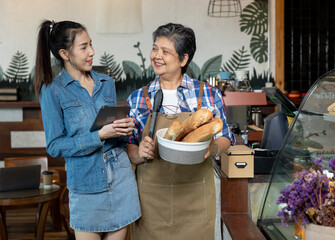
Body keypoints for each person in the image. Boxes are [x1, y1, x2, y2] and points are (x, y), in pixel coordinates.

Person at [126, 23, 235, 240]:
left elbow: (226, 138)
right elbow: (129, 144)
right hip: (152, 199)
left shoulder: (208, 94)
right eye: (155, 48)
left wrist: (213, 147)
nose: (157, 56)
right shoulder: (139, 97)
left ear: (183, 59)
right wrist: (139, 153)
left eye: (165, 51)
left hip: (196, 197)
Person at [34, 20, 141, 240]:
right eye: (84, 47)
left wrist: (124, 129)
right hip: (85, 188)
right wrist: (100, 135)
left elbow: (117, 137)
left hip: (121, 181)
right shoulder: (52, 91)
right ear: (64, 53)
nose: (92, 52)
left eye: (91, 44)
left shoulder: (107, 82)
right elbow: (55, 146)